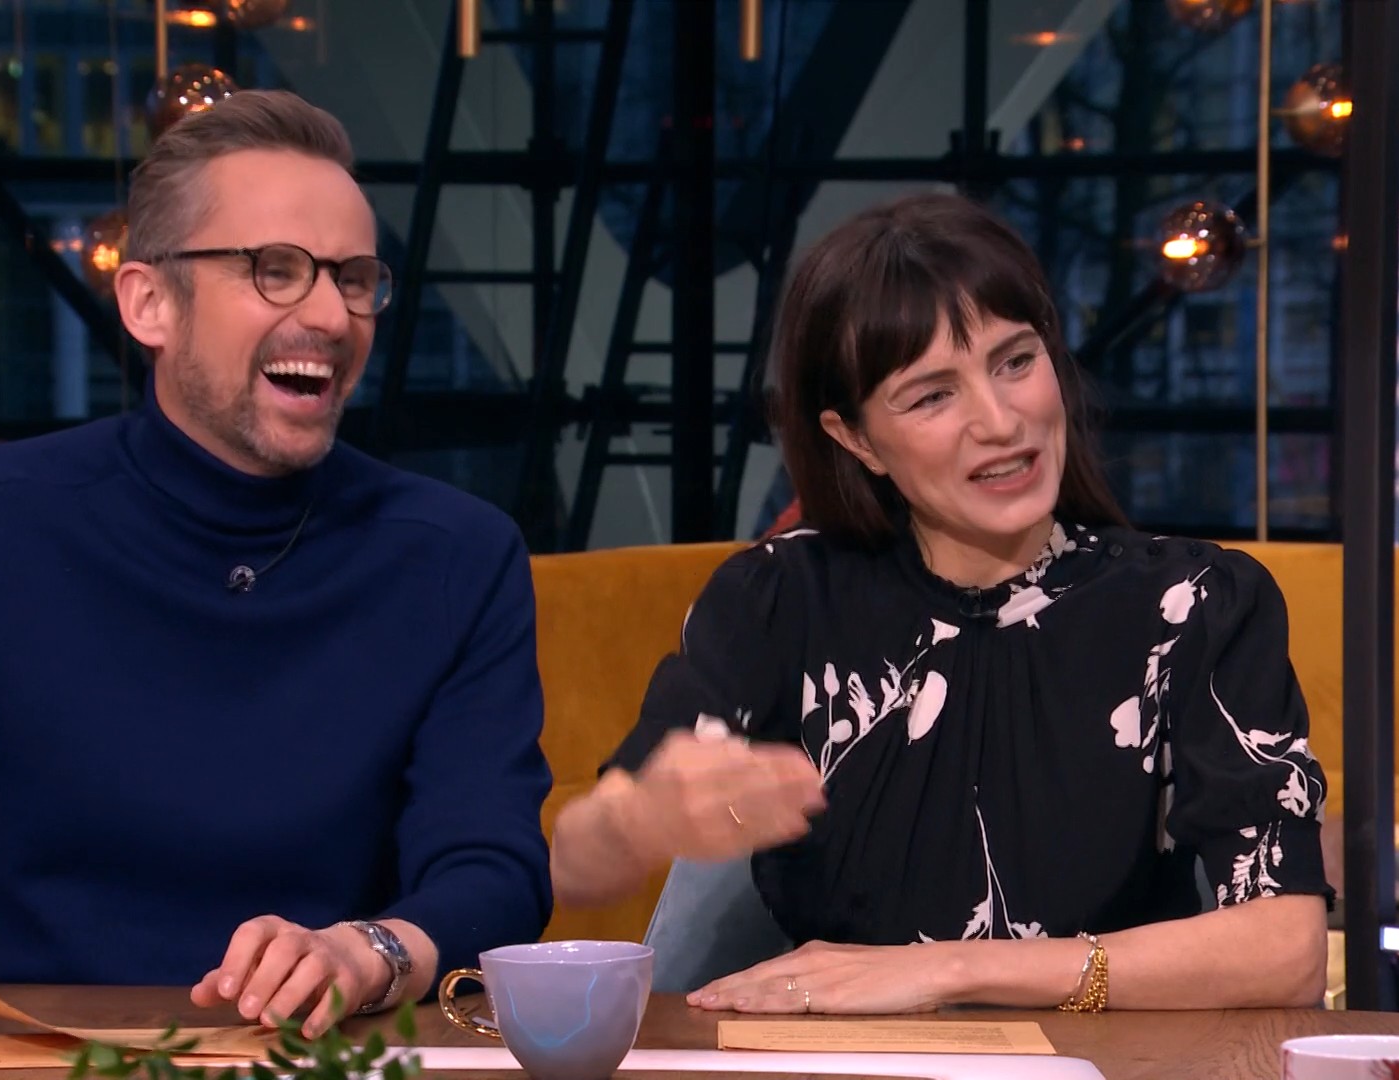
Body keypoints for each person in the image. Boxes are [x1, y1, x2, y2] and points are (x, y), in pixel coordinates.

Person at [0, 90, 553, 1042]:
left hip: (324, 1057)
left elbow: (495, 876)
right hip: (42, 1058)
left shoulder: (458, 554)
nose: (331, 317)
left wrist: (369, 953)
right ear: (148, 303)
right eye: (276, 270)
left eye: (353, 278)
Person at [549, 192, 1329, 1014]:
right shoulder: (780, 600)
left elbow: (1286, 950)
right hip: (838, 1065)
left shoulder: (1193, 605)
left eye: (1015, 362)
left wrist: (947, 970)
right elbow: (576, 865)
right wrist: (633, 822)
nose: (999, 421)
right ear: (855, 438)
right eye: (931, 396)